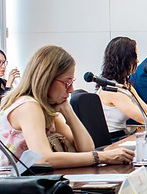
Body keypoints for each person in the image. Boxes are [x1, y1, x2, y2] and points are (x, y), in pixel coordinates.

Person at [0, 45, 134, 168]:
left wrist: (67, 111)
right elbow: (43, 159)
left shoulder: (45, 108)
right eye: (67, 83)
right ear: (46, 80)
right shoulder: (28, 106)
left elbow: (87, 149)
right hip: (12, 182)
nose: (71, 90)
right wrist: (102, 157)